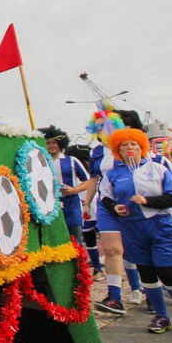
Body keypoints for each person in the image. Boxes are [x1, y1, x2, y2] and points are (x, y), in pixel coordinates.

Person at [99, 128, 172, 336]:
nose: (129, 148)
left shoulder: (158, 168)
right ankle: (161, 316)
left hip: (161, 226)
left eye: (133, 144)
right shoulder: (113, 174)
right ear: (118, 150)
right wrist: (116, 207)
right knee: (146, 274)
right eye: (124, 145)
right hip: (132, 228)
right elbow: (105, 196)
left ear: (141, 147)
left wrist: (147, 201)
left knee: (166, 273)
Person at [84, 109, 144, 313]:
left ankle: (143, 288)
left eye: (106, 124)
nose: (102, 129)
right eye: (98, 126)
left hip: (132, 201)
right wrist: (87, 203)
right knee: (111, 249)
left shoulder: (129, 147)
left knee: (135, 248)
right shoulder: (96, 152)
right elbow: (94, 178)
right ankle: (115, 297)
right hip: (105, 204)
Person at [40, 126, 89, 245]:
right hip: (50, 207)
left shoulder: (71, 160)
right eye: (48, 143)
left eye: (54, 142)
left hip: (72, 206)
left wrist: (73, 190)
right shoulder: (40, 163)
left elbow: (88, 181)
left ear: (60, 144)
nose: (51, 146)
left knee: (75, 240)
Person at [67, 144, 104, 276]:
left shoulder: (89, 171)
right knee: (89, 238)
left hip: (94, 204)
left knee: (98, 237)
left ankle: (100, 267)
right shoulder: (73, 169)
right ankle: (97, 268)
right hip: (85, 205)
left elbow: (89, 183)